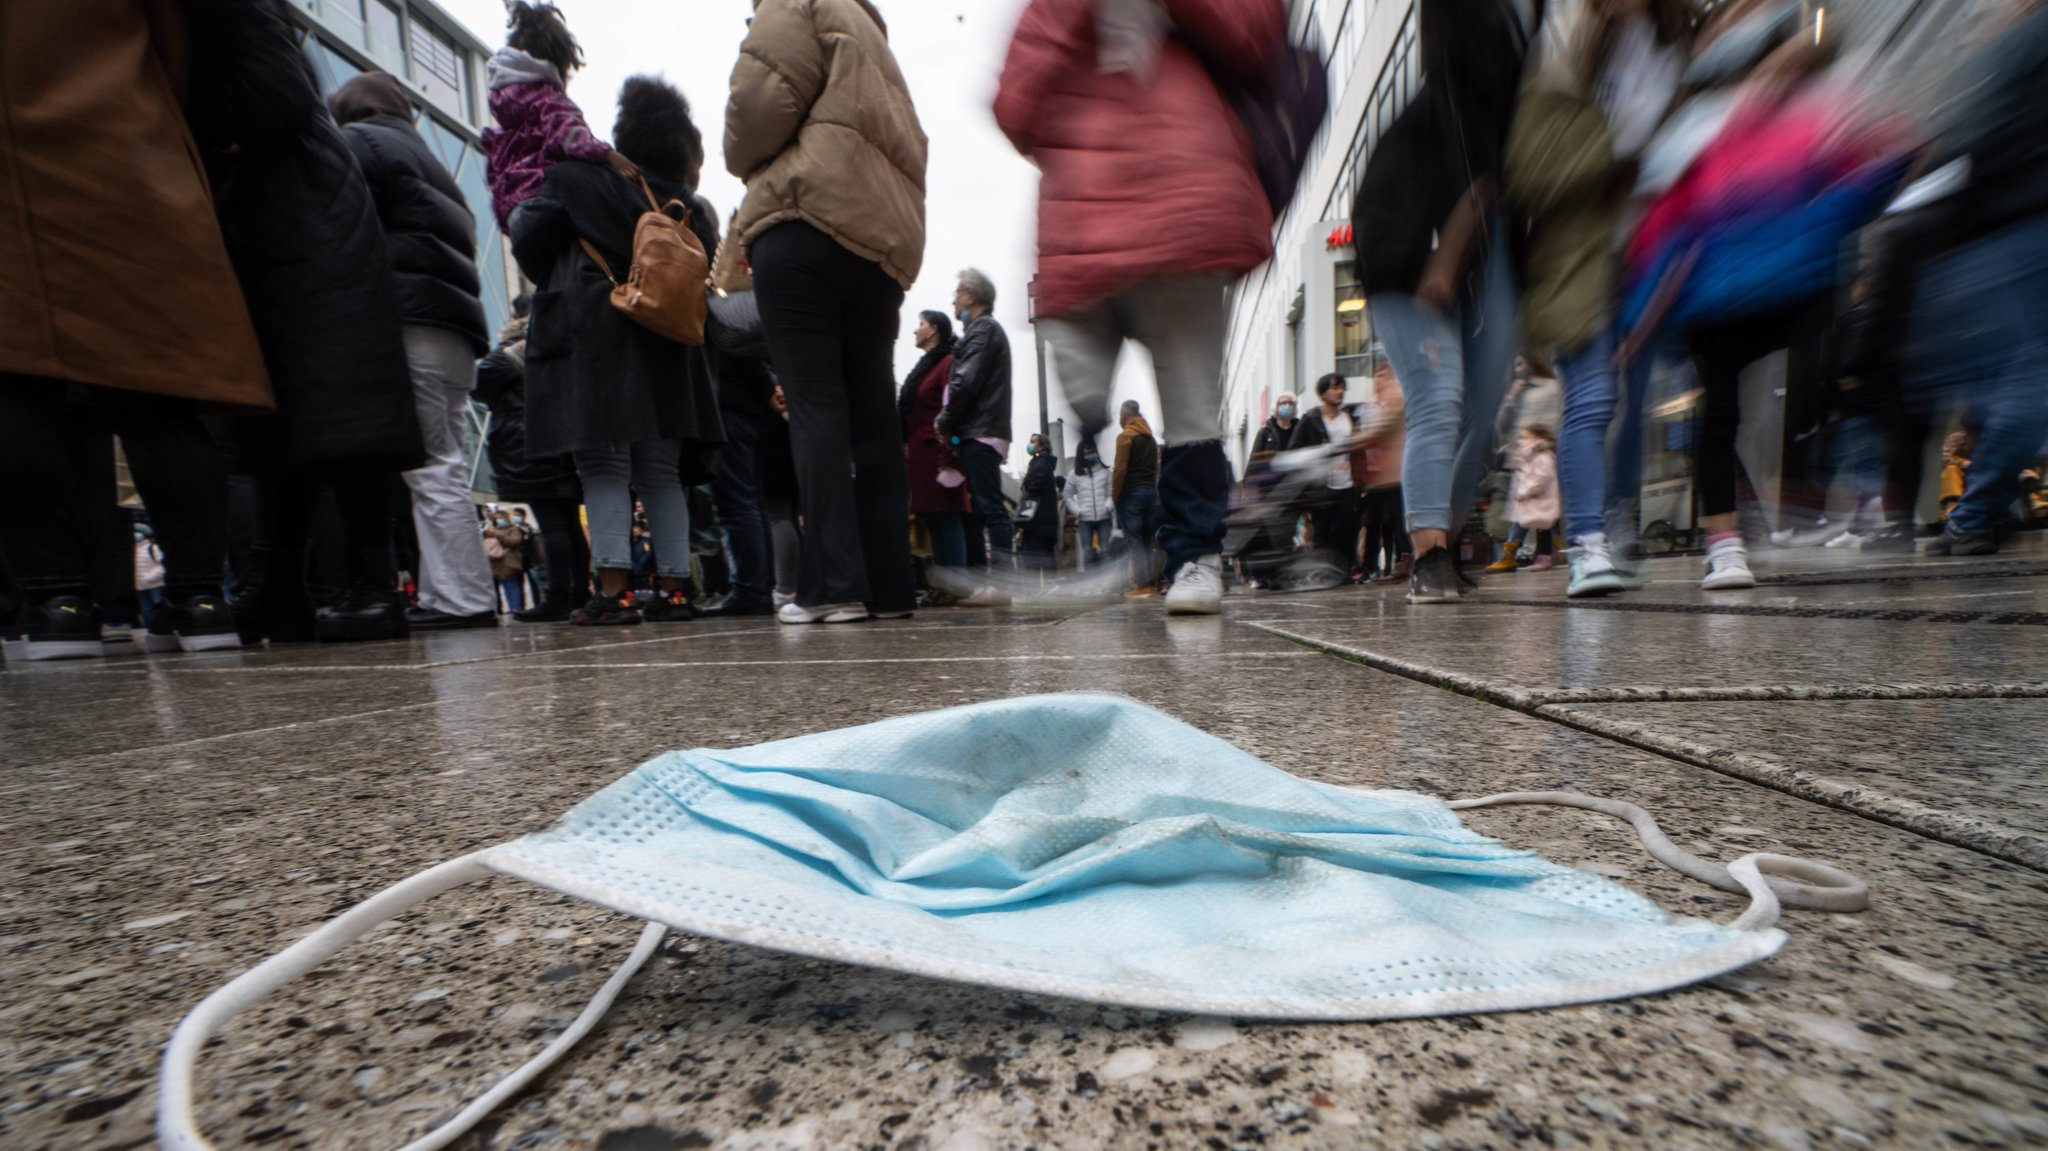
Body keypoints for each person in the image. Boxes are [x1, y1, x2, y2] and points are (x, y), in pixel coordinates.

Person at [0, 0, 275, 659]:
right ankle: (203, 597)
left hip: (15, 162)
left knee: (21, 379)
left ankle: (58, 602)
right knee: (161, 394)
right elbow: (175, 43)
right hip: (129, 149)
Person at [995, 0, 1287, 616]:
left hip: (1167, 204)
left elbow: (1016, 104)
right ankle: (1186, 559)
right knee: (1178, 407)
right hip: (1135, 206)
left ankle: (1189, 558)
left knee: (1185, 406)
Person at [193, 0, 425, 645]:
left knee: (342, 411)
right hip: (281, 220)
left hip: (304, 224)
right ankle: (281, 585)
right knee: (276, 419)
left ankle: (369, 584)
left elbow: (275, 92)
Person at [721, 0, 927, 625]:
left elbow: (758, 109)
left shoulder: (794, 3)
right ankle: (890, 585)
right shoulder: (874, 37)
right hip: (880, 239)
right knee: (872, 410)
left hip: (805, 218)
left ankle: (832, 585)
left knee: (814, 406)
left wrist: (739, 155)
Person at [511, 76, 726, 627]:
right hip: (670, 343)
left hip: (597, 335)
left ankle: (614, 590)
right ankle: (675, 590)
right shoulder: (690, 207)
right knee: (660, 469)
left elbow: (527, 234)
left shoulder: (577, 180)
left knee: (603, 462)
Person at [1504, 0, 1690, 596]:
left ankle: (1615, 523)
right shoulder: (1564, 49)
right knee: (1593, 397)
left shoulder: (1674, 43)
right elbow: (1530, 167)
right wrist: (1613, 159)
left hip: (1655, 249)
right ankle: (1588, 542)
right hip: (1581, 256)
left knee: (1636, 401)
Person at [1356, 0, 1533, 603]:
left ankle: (1444, 548)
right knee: (1438, 397)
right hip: (1405, 272)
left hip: (1469, 272)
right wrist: (1441, 260)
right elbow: (1467, 195)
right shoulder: (1442, 112)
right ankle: (1429, 556)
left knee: (1481, 415)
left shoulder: (1490, 107)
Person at [329, 72, 499, 631]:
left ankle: (462, 600)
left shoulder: (361, 145)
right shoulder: (428, 161)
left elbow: (344, 231)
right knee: (442, 460)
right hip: (454, 331)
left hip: (410, 321)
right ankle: (447, 592)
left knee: (431, 467)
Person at [472, 302, 591, 620]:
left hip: (529, 442)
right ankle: (579, 592)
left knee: (552, 523)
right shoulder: (561, 344)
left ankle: (558, 597)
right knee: (568, 525)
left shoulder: (516, 351)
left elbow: (477, 382)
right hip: (564, 439)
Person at [482, 1, 639, 230]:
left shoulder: (507, 111)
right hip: (545, 200)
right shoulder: (548, 99)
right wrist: (608, 155)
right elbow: (568, 133)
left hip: (515, 217)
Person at [934, 271, 1015, 582]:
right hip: (981, 430)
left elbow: (965, 382)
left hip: (981, 431)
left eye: (957, 292)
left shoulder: (983, 329)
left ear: (971, 295)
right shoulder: (981, 331)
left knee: (991, 508)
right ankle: (992, 582)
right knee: (984, 507)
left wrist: (944, 419)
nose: (954, 299)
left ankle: (1003, 583)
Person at [900, 311, 970, 589]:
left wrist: (948, 454)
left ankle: (957, 586)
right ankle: (945, 587)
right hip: (921, 454)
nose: (916, 330)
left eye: (921, 324)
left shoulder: (947, 362)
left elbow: (950, 408)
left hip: (936, 453)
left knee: (946, 516)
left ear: (933, 330)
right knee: (934, 518)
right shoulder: (929, 365)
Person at [1287, 373, 1364, 579]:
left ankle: (1348, 571)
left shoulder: (1349, 418)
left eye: (1342, 388)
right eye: (1334, 388)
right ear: (1322, 393)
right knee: (1322, 531)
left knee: (1348, 529)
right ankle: (1325, 573)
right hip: (1322, 487)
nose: (1340, 392)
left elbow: (1360, 452)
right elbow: (1295, 451)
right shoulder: (1310, 420)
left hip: (1348, 484)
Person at [1359, 355, 1413, 583]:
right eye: (1377, 377)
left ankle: (1407, 561)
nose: (1380, 381)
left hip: (1397, 473)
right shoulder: (1370, 403)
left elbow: (1380, 429)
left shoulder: (1396, 396)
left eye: (1384, 376)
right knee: (1374, 524)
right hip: (1377, 476)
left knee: (1400, 522)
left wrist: (1351, 442)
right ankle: (1372, 566)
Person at [1113, 401, 1164, 595]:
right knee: (1147, 541)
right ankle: (1151, 582)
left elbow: (1120, 469)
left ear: (1125, 415)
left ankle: (1142, 585)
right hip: (1150, 493)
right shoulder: (1150, 440)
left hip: (1131, 494)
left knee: (1134, 541)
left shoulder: (1125, 437)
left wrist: (1115, 495)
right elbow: (1156, 469)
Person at [1508, 425, 1561, 570]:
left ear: (1538, 439)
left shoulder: (1542, 456)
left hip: (1541, 499)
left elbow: (1542, 477)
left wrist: (1525, 491)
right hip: (1537, 499)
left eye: (1525, 437)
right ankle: (1549, 555)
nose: (1521, 441)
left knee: (1543, 529)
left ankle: (1545, 558)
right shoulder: (1532, 456)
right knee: (1541, 529)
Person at [1064, 439, 1117, 567]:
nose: (1089, 453)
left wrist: (1108, 507)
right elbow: (1067, 495)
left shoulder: (1105, 472)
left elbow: (1114, 492)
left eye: (1092, 450)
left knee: (1106, 552)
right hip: (1084, 520)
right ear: (1081, 454)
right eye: (1086, 451)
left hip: (1104, 518)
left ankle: (1108, 584)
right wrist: (1077, 510)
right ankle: (1091, 585)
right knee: (1088, 553)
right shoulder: (1074, 474)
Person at [1018, 433, 1063, 570]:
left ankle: (1042, 588)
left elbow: (1032, 491)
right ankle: (1049, 586)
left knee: (1034, 560)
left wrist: (1021, 518)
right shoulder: (1043, 463)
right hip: (1044, 521)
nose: (1030, 445)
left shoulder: (1040, 464)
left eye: (1033, 442)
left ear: (1042, 446)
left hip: (1037, 522)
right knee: (1047, 557)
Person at [483, 508, 527, 611]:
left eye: (501, 518)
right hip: (498, 564)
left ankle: (515, 608)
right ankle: (511, 607)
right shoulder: (495, 529)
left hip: (510, 563)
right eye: (497, 518)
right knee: (506, 587)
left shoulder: (513, 529)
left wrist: (498, 535)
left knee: (512, 585)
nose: (499, 520)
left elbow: (514, 541)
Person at [1251, 394, 1299, 460]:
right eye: (1283, 403)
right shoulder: (1265, 433)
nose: (1287, 406)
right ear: (1276, 407)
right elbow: (1254, 460)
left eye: (1290, 403)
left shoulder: (1300, 430)